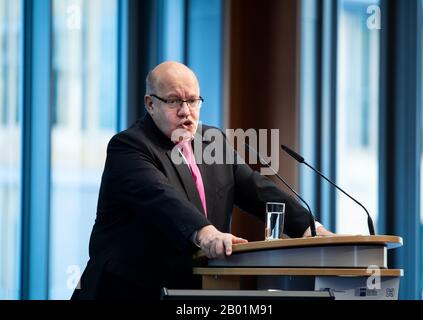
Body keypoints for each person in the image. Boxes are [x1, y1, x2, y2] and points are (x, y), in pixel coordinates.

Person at [71, 61, 333, 300]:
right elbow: (162, 199)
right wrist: (206, 233)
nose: (186, 112)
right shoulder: (129, 146)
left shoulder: (212, 140)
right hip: (125, 292)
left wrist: (310, 228)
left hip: (187, 291)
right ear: (150, 104)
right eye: (174, 101)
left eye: (193, 101)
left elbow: (256, 189)